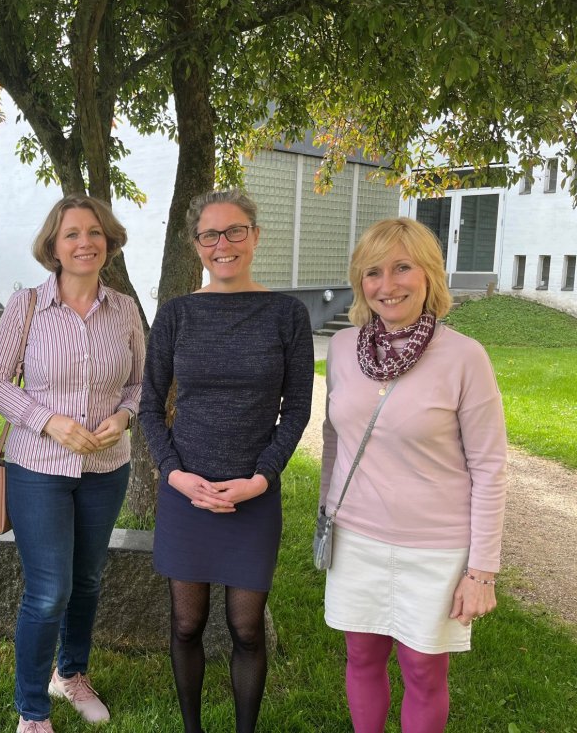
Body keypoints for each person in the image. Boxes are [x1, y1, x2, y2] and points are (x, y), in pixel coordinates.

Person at [319, 217, 508, 733]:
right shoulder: (342, 349)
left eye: (402, 267)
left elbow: (490, 466)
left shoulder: (465, 357)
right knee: (361, 657)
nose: (388, 284)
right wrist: (326, 514)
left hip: (436, 547)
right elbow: (336, 438)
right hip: (356, 537)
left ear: (428, 274)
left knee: (423, 669)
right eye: (373, 272)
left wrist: (481, 570)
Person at [140, 189, 313, 733]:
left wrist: (261, 479)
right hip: (186, 492)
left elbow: (298, 408)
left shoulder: (287, 314)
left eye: (235, 231)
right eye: (210, 235)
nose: (224, 244)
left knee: (247, 630)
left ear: (255, 236)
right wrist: (174, 474)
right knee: (186, 624)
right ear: (196, 246)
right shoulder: (176, 314)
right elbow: (149, 405)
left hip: (253, 495)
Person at [0, 195, 145, 733]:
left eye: (94, 232)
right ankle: (32, 709)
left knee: (89, 579)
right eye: (72, 233)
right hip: (38, 468)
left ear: (109, 241)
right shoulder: (26, 305)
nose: (84, 242)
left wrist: (122, 418)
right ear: (53, 245)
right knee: (49, 589)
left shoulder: (123, 310)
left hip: (107, 467)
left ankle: (70, 674)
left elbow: (141, 385)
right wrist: (48, 420)